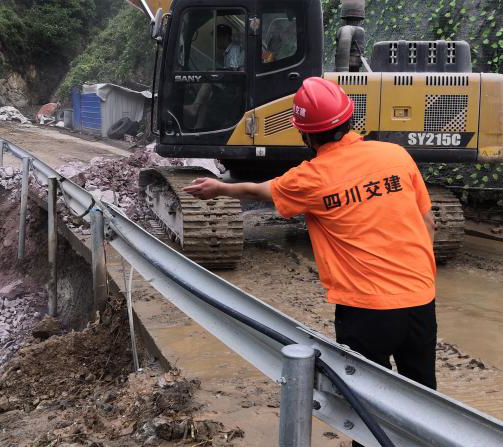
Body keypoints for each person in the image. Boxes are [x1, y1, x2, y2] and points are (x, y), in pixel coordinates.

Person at [184, 78, 437, 446]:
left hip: (366, 309)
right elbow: (426, 221)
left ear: (305, 136)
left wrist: (219, 188)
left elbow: (260, 190)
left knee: (365, 409)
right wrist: (419, 276)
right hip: (420, 300)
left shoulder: (309, 179)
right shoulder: (396, 155)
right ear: (350, 118)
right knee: (424, 400)